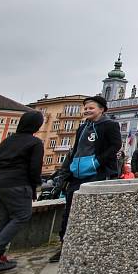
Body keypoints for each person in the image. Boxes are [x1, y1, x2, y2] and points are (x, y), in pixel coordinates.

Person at [50, 96, 121, 263]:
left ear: (102, 109)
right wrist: (66, 171)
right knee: (70, 209)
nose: (87, 110)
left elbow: (115, 146)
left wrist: (98, 162)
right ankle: (65, 245)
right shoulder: (82, 128)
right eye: (86, 108)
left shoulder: (109, 125)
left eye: (91, 108)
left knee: (96, 210)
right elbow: (75, 150)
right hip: (77, 173)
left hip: (99, 173)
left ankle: (96, 244)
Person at [0, 110, 44, 273]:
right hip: (17, 184)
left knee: (4, 219)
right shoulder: (34, 143)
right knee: (21, 216)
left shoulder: (6, 141)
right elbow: (34, 168)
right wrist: (35, 187)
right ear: (36, 126)